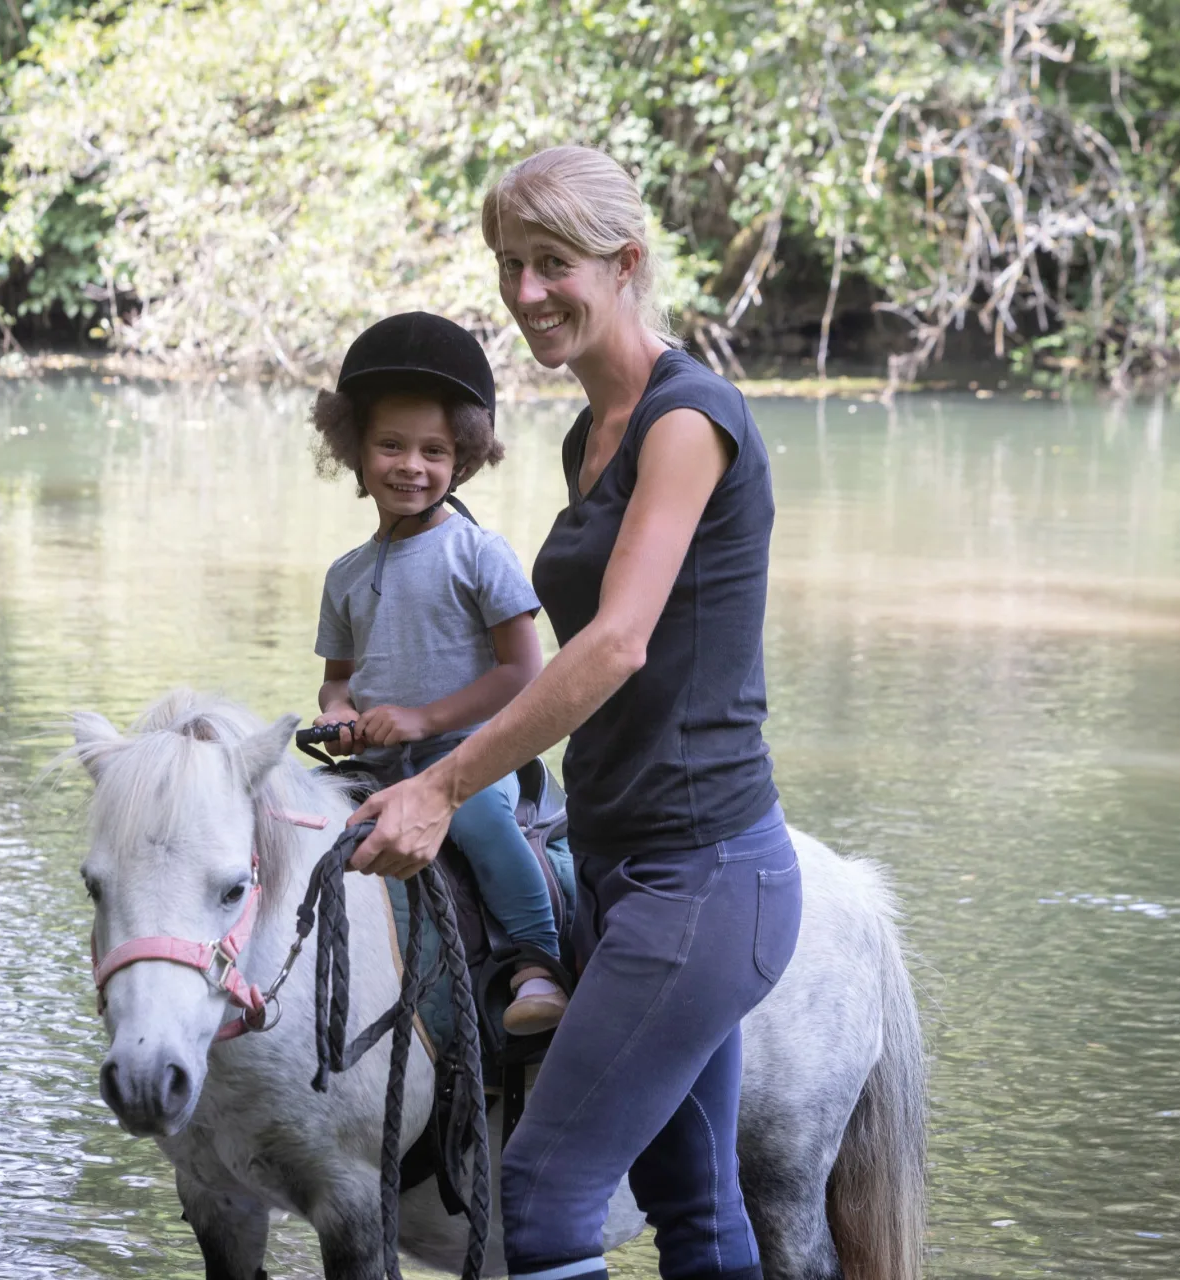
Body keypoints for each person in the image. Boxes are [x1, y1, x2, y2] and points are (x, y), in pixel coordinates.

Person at [346, 149, 803, 1280]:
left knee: (542, 1203)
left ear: (626, 262)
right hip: (617, 865)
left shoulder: (688, 421)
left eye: (553, 263)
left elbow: (615, 641)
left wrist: (446, 782)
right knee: (693, 1205)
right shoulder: (587, 431)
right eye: (509, 264)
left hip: (706, 875)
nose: (526, 291)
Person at [310, 311, 569, 1034]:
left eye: (433, 450)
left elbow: (524, 672)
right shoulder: (346, 575)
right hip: (381, 760)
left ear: (463, 457)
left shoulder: (479, 553)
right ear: (355, 450)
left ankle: (536, 962)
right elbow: (340, 678)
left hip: (476, 754)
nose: (411, 466)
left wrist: (426, 720)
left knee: (481, 816)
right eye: (390, 445)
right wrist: (337, 713)